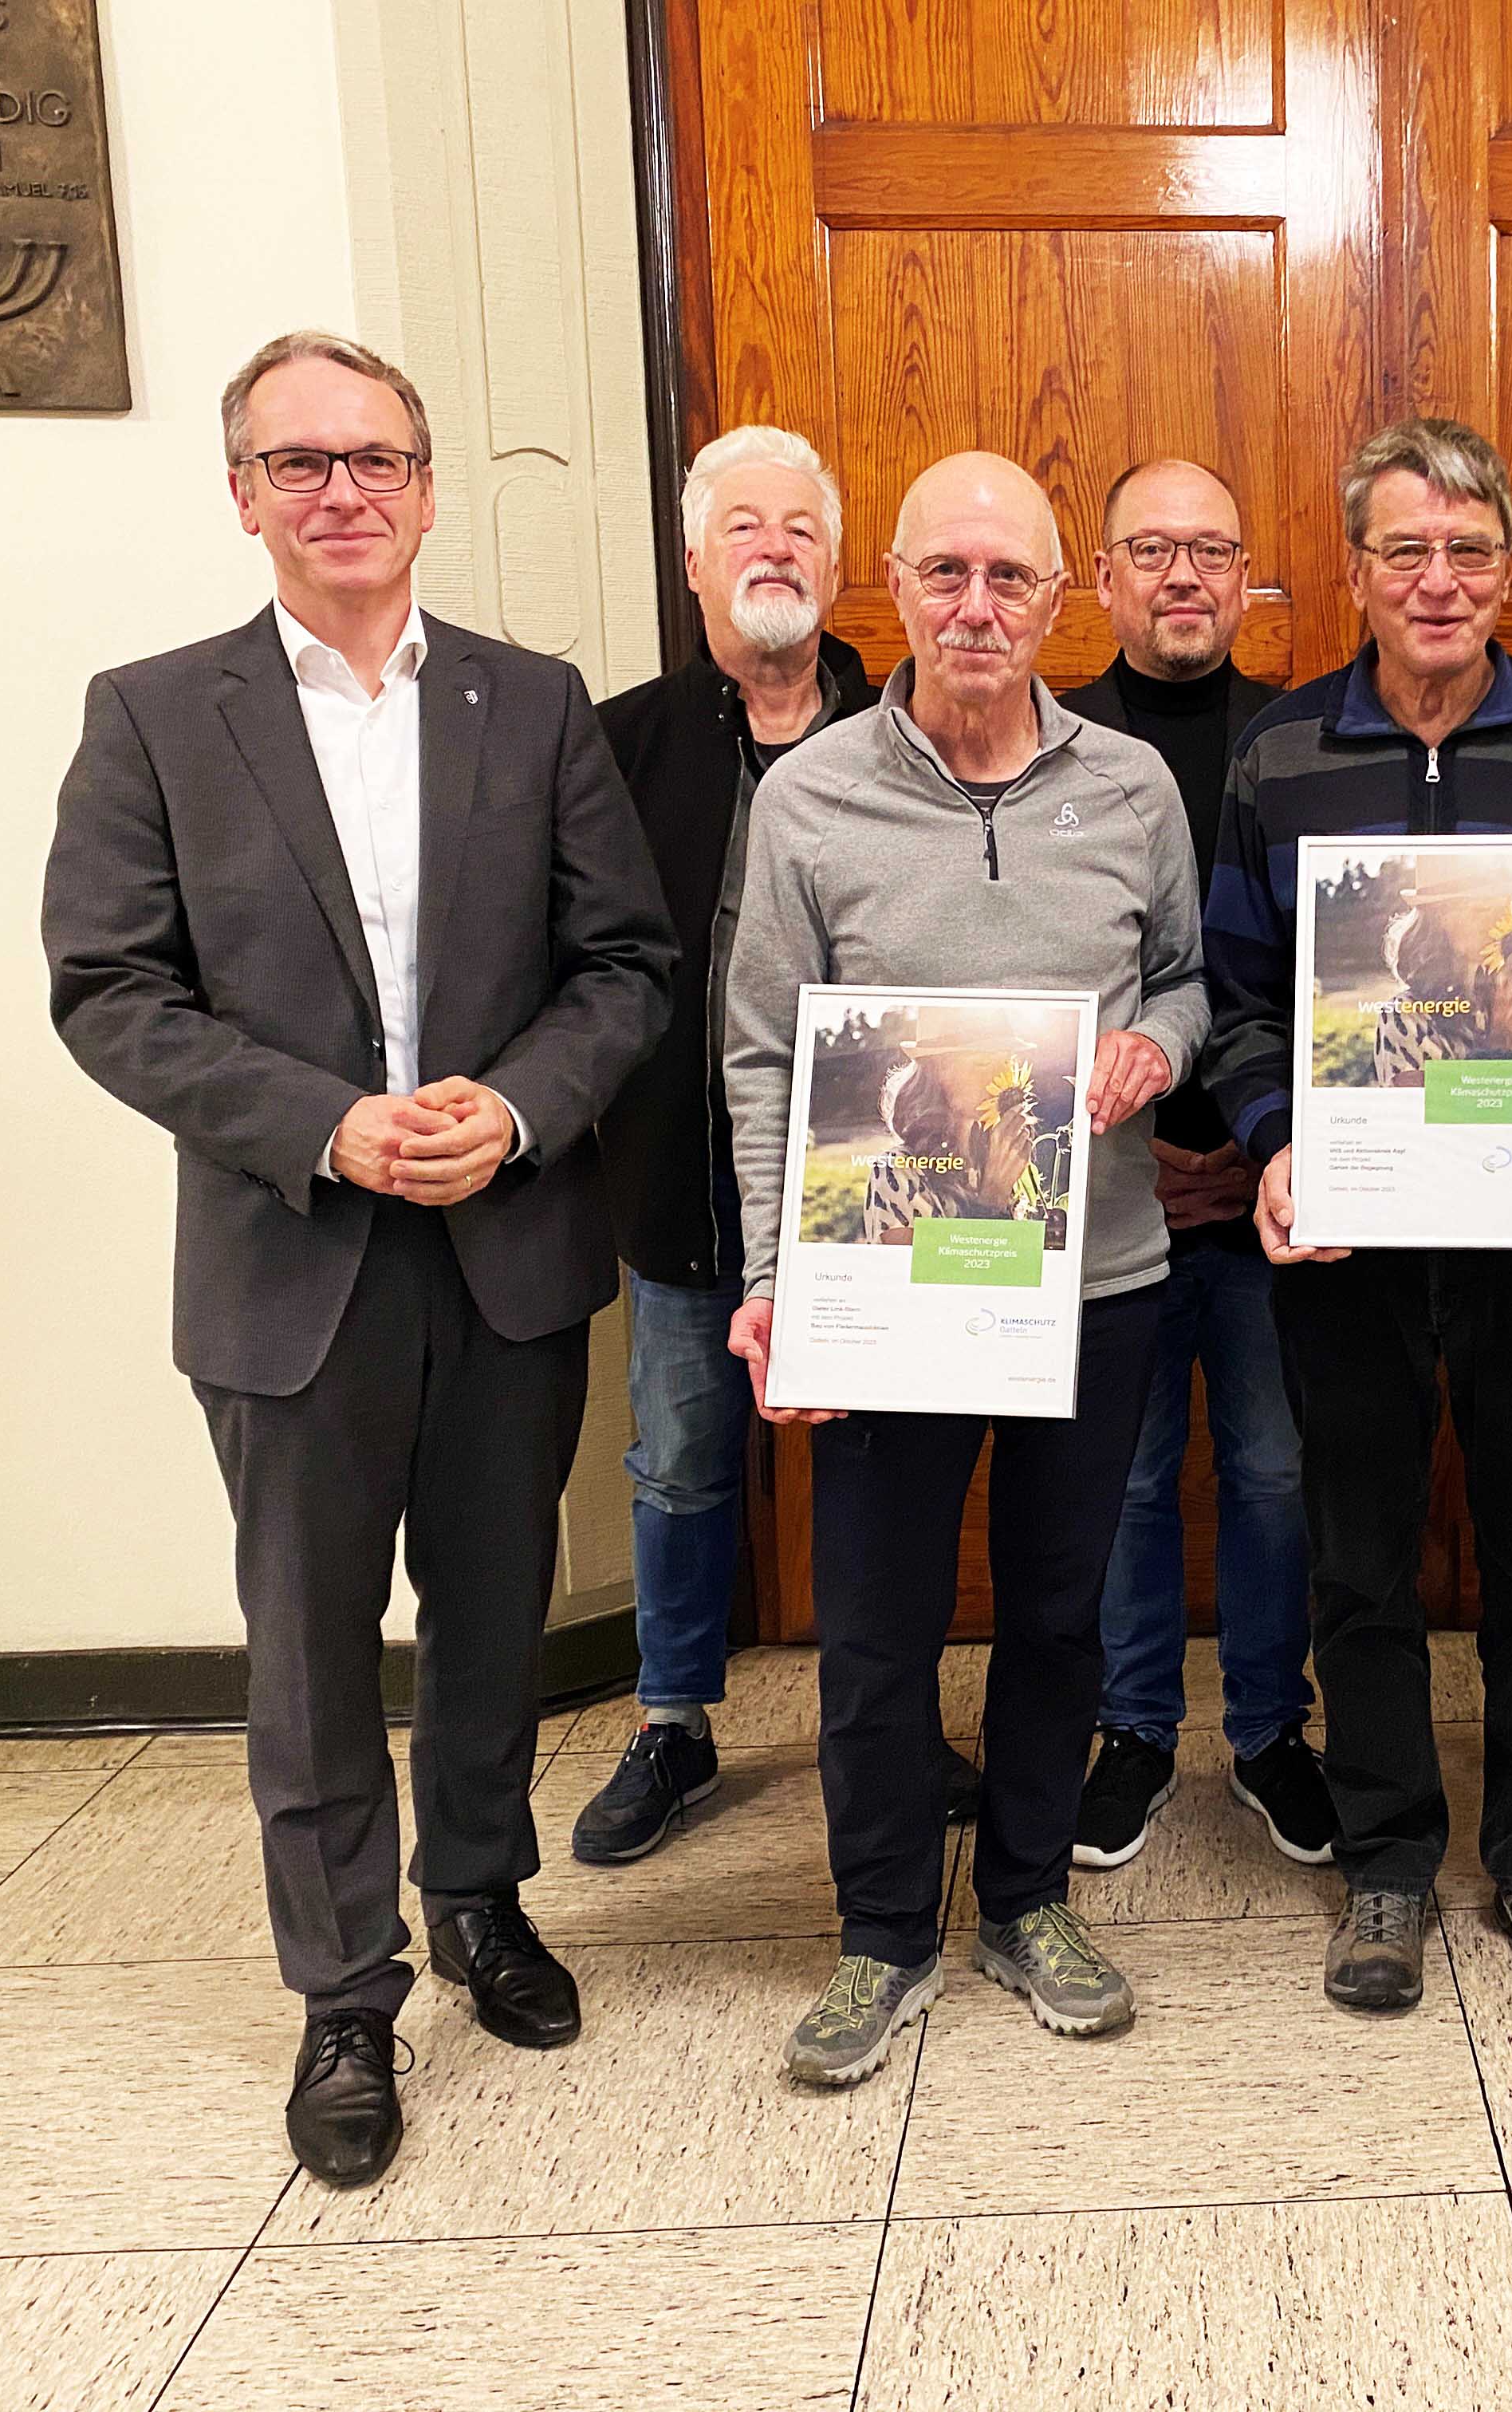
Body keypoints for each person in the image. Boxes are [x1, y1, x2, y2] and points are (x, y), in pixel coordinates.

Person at [42, 331, 675, 2189]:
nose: (344, 492)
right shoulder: (156, 713)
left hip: (504, 1250)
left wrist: (520, 1110)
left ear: (423, 481)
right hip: (290, 1261)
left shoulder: (531, 703)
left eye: (377, 459)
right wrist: (326, 1123)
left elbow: (623, 965)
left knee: (492, 1621)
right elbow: (109, 991)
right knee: (314, 1651)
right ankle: (343, 1994)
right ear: (241, 491)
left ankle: (479, 1897)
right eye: (300, 462)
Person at [722, 451, 1210, 2089]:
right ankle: (877, 1936)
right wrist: (773, 1274)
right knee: (872, 1627)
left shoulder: (1135, 787)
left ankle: (1023, 1902)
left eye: (1011, 580)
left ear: (1062, 601)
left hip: (1102, 1281)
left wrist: (1153, 1046)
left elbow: (1196, 983)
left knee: (1060, 1615)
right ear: (901, 592)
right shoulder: (810, 801)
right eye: (946, 576)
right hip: (888, 1288)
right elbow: (761, 1059)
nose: (978, 608)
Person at [1203, 416, 1512, 2016]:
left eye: (1470, 551)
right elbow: (1239, 1004)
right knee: (1361, 1548)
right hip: (1354, 1227)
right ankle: (1387, 1863)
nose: (1441, 581)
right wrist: (1272, 1140)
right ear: (1357, 570)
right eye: (1407, 551)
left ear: (1505, 570)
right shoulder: (1279, 757)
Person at [575, 426, 876, 1865]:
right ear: (694, 560)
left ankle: (881, 1718)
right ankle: (675, 1724)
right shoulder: (615, 746)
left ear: (835, 556)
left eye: (801, 527)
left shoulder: (915, 727)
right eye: (742, 526)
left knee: (887, 1466)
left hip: (890, 1201)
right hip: (687, 1189)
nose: (774, 549)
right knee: (684, 1463)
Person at [1058, 460, 1331, 1873]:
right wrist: (1147, 1158)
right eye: (1152, 549)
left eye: (1213, 551)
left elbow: (1331, 975)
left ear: (1247, 582)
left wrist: (1254, 1145)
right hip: (1102, 1203)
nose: (1183, 576)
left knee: (1277, 1472)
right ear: (1101, 578)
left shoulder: (1303, 744)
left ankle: (1274, 1732)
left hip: (1277, 1190)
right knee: (1130, 1475)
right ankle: (1136, 1731)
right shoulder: (1051, 746)